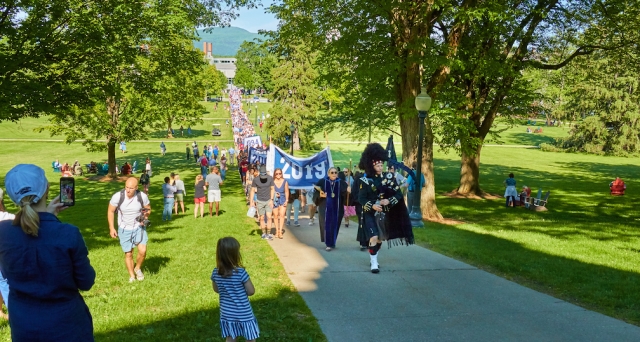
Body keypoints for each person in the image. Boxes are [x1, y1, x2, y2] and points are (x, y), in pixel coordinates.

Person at [0, 164, 95, 340]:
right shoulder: (68, 233)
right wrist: (49, 220)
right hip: (67, 327)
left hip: (24, 327)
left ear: (13, 198)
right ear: (47, 188)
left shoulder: (3, 232)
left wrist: (48, 217)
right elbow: (86, 281)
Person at [358, 143, 414, 273]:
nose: (380, 167)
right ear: (372, 166)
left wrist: (389, 200)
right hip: (369, 213)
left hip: (383, 213)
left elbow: (398, 193)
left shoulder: (388, 178)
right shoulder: (365, 181)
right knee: (373, 236)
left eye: (381, 165)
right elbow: (361, 198)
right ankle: (374, 263)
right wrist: (372, 205)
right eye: (378, 165)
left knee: (379, 238)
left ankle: (373, 256)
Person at [211, 237, 259, 342]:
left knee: (231, 337)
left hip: (227, 313)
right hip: (243, 312)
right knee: (250, 337)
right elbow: (251, 291)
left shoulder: (216, 272)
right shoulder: (241, 273)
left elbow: (216, 289)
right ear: (235, 255)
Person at [108, 177, 152, 282]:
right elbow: (110, 211)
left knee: (143, 251)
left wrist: (145, 217)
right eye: (126, 187)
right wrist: (111, 228)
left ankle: (137, 268)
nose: (128, 190)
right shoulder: (118, 197)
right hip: (124, 229)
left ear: (136, 187)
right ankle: (132, 276)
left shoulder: (142, 196)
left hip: (138, 227)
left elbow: (148, 209)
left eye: (131, 188)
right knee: (129, 253)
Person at [313, 167, 350, 251]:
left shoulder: (340, 182)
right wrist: (320, 195)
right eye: (332, 172)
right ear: (328, 174)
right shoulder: (323, 181)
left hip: (337, 208)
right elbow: (315, 193)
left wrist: (348, 190)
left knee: (335, 224)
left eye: (335, 173)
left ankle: (333, 242)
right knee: (326, 224)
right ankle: (328, 243)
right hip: (324, 208)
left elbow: (345, 195)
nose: (334, 174)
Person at [249, 165, 275, 240]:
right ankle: (264, 233)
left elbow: (272, 189)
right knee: (262, 217)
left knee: (269, 217)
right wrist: (251, 202)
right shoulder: (256, 180)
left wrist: (272, 199)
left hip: (268, 201)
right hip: (259, 201)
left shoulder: (270, 178)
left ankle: (269, 233)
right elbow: (252, 190)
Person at [272, 168, 289, 239]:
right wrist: (275, 194)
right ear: (274, 175)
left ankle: (280, 231)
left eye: (280, 173)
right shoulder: (272, 182)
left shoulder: (285, 181)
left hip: (283, 199)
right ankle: (277, 231)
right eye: (277, 174)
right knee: (275, 215)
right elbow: (271, 191)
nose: (278, 175)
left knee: (282, 215)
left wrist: (287, 200)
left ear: (281, 174)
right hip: (275, 200)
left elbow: (286, 191)